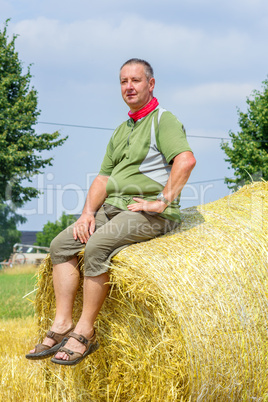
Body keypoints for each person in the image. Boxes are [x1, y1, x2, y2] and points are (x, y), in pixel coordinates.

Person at [26, 58, 196, 366]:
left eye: (136, 80)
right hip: (112, 207)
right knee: (60, 246)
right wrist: (86, 214)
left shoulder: (163, 121)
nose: (129, 87)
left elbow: (185, 160)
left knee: (97, 246)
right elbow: (103, 178)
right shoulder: (122, 130)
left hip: (149, 214)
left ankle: (86, 330)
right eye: (123, 81)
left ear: (151, 84)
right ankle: (62, 322)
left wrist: (161, 201)